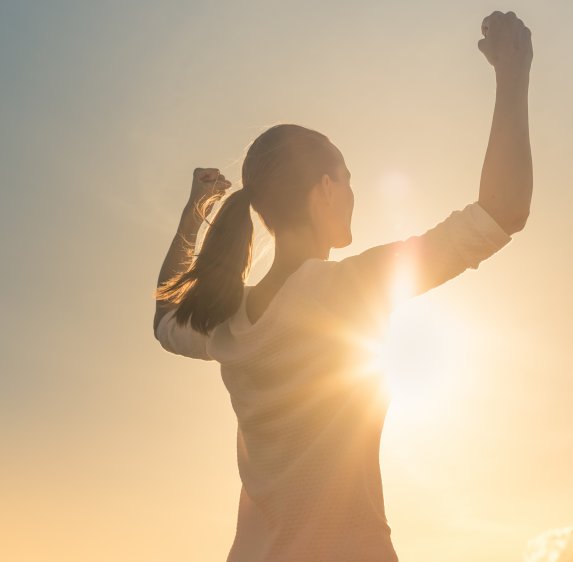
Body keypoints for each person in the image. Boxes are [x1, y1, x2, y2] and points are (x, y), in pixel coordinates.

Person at [151, 11, 532, 562]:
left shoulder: (226, 323)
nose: (354, 193)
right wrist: (513, 72)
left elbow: (164, 318)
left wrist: (195, 212)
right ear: (325, 189)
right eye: (348, 179)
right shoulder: (346, 290)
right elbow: (501, 214)